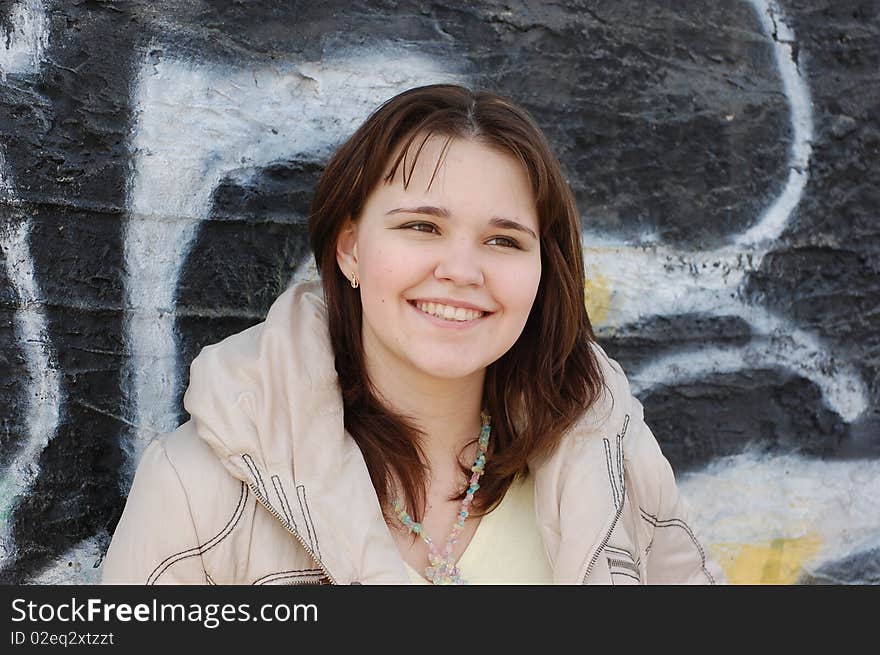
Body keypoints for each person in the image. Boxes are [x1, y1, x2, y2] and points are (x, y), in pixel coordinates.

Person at [102, 84, 725, 585]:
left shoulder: (609, 453)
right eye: (422, 227)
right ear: (349, 248)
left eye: (504, 240)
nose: (461, 270)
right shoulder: (198, 487)